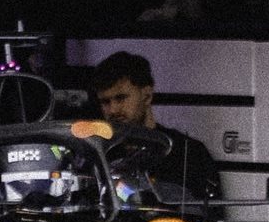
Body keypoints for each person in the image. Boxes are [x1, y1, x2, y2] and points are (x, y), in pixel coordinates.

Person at [91, 51, 220, 203]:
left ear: (147, 96)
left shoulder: (188, 153)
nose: (112, 110)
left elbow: (207, 216)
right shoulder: (96, 155)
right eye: (105, 102)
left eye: (121, 98)